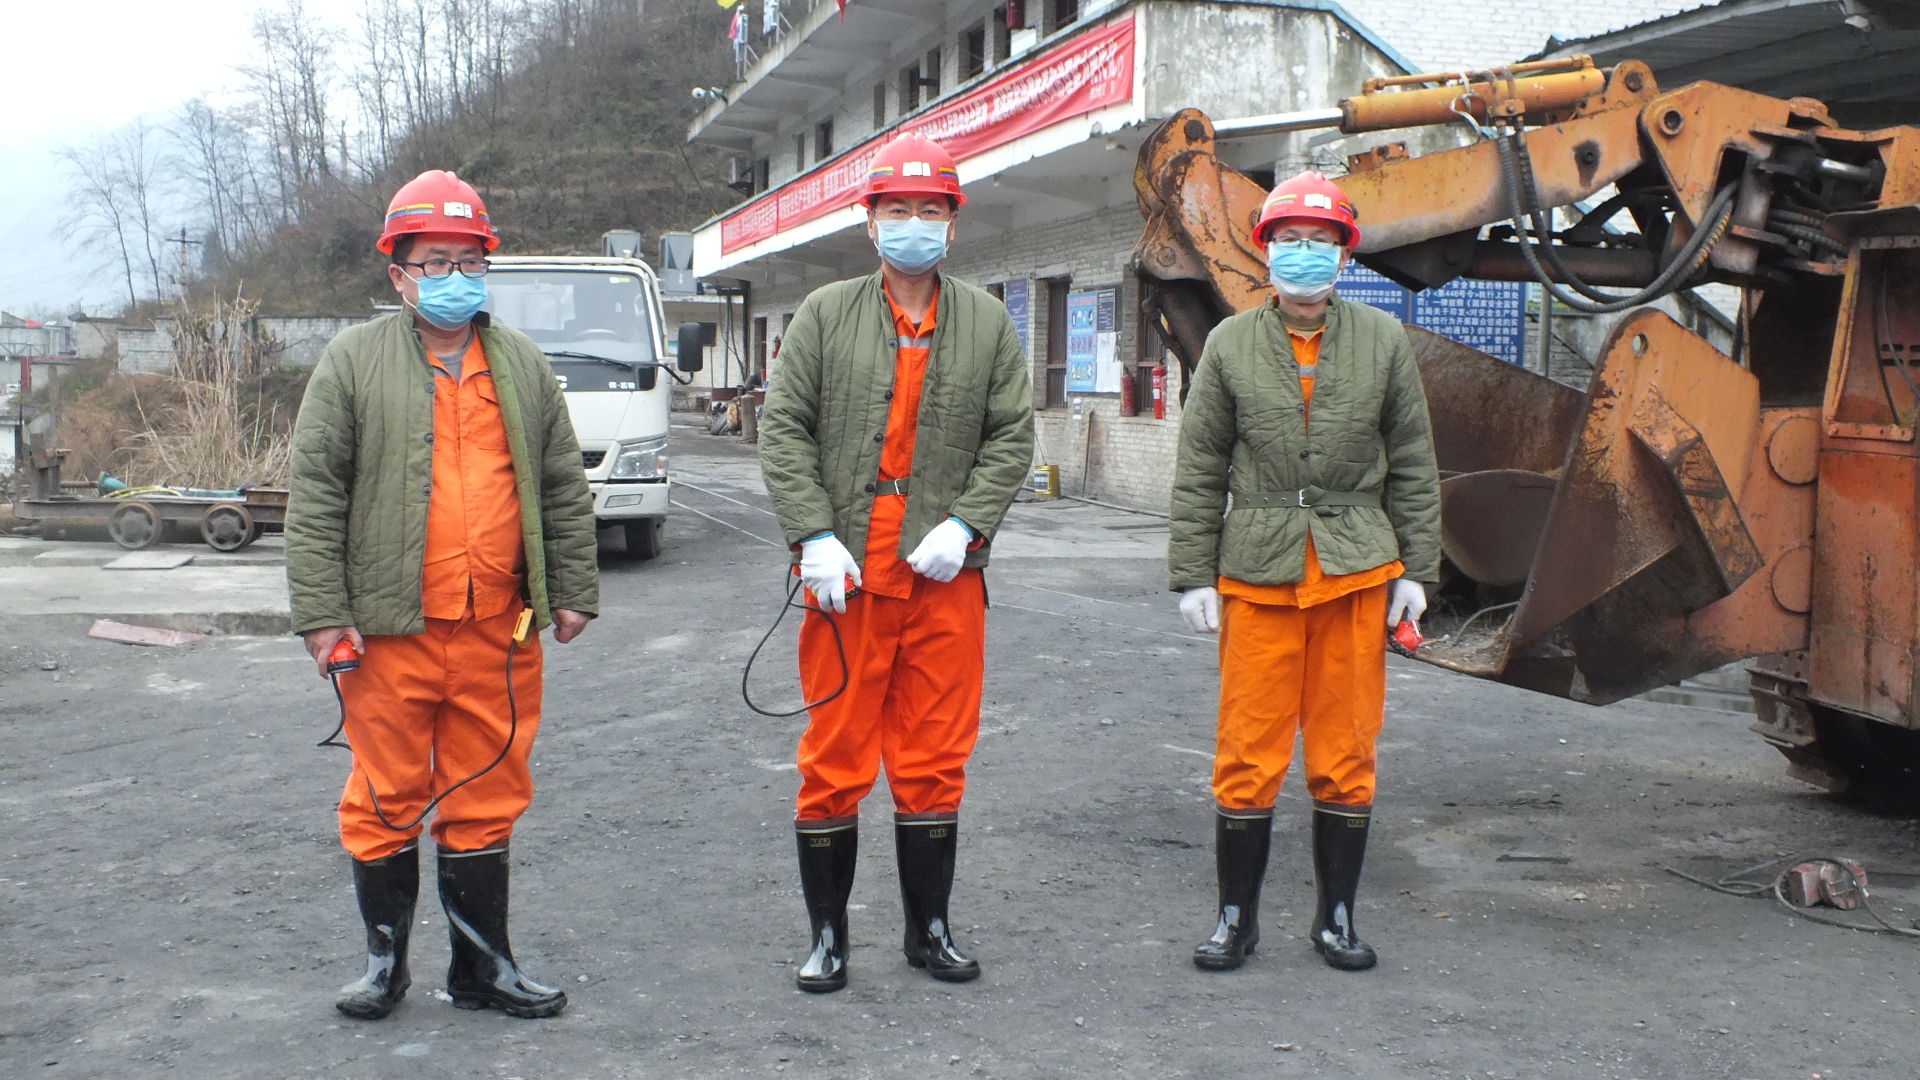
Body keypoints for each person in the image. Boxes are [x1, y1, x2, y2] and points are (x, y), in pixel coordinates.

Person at [287, 170, 600, 1020]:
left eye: (468, 260)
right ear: (398, 274)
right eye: (434, 262)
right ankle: (384, 968)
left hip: (500, 628)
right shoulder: (354, 362)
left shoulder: (522, 364)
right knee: (387, 793)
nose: (452, 276)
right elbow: (315, 494)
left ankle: (481, 970)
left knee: (489, 789)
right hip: (390, 632)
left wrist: (571, 589)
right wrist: (322, 614)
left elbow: (561, 484)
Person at [758, 131, 1034, 993]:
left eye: (930, 211)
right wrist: (812, 534)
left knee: (934, 754)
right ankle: (829, 938)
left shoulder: (987, 321)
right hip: (845, 578)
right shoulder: (824, 314)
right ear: (869, 221)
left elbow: (1012, 435)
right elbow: (784, 430)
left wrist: (967, 525)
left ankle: (930, 931)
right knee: (834, 754)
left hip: (943, 577)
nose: (913, 224)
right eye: (897, 210)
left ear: (952, 227)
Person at [1167, 171, 1440, 973]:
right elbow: (1200, 465)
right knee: (1248, 752)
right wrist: (1193, 574)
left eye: (1322, 243)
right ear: (1267, 251)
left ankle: (1337, 919)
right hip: (1258, 574)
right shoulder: (1228, 345)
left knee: (1345, 751)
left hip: (1356, 571)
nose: (1305, 256)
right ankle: (1235, 920)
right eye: (1290, 241)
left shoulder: (1384, 342)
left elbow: (1416, 463)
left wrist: (1415, 569)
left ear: (1344, 255)